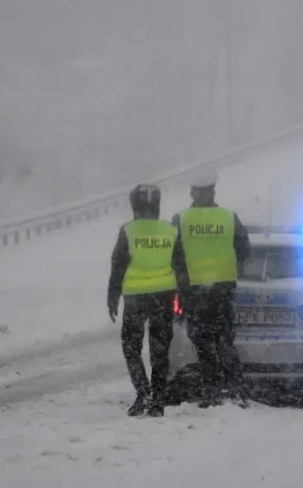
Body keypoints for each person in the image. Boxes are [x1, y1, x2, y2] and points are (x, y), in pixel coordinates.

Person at [170, 168, 251, 407]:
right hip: (222, 290)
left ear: (194, 193)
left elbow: (172, 255)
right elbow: (245, 250)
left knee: (203, 342)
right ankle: (234, 388)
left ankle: (212, 390)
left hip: (194, 292)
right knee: (224, 339)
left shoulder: (181, 220)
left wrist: (182, 278)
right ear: (213, 191)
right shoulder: (228, 217)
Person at [107, 183, 179, 417]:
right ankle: (158, 399)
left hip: (136, 298)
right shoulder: (170, 231)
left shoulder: (128, 231)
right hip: (164, 295)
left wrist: (112, 296)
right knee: (160, 350)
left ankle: (143, 392)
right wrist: (184, 297)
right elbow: (180, 266)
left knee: (131, 348)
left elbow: (118, 266)